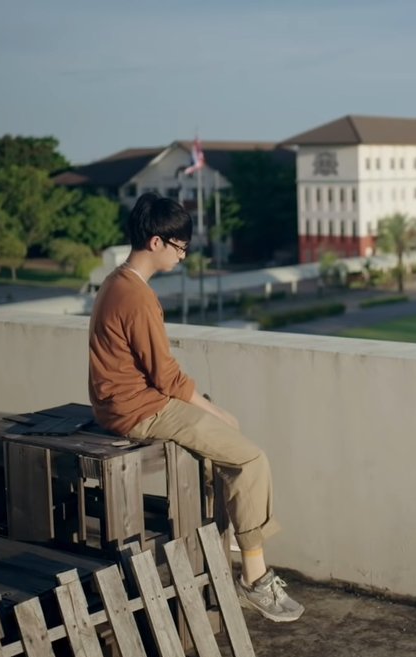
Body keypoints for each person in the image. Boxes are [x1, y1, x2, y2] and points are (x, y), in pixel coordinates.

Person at [88, 193, 303, 622]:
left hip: (122, 403)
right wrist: (215, 412)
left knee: (225, 446)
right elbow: (165, 376)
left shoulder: (117, 282)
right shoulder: (136, 296)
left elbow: (158, 372)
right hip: (141, 410)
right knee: (251, 459)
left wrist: (209, 409)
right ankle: (255, 579)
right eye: (179, 247)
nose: (182, 256)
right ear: (156, 242)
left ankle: (241, 533)